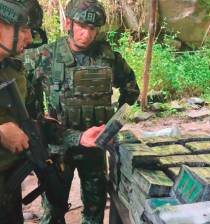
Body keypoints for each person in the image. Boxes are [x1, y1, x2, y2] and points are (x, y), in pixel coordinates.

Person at [0, 0, 103, 223]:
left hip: (6, 203)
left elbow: (34, 125)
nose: (30, 38)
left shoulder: (13, 70)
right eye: (24, 30)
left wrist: (78, 137)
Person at [24, 0, 140, 223]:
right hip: (58, 148)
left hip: (94, 145)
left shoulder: (108, 58)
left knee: (95, 211)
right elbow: (24, 89)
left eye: (92, 28)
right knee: (53, 211)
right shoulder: (45, 56)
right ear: (69, 23)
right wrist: (37, 118)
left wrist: (115, 123)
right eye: (82, 26)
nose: (87, 33)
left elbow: (130, 89)